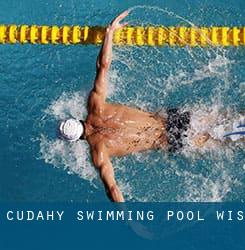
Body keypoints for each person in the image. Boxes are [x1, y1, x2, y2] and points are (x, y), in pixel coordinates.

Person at [58, 11, 210, 202]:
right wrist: (109, 33)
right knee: (226, 118)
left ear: (76, 140)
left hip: (171, 140)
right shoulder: (95, 105)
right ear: (76, 119)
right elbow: (103, 66)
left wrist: (130, 221)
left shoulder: (99, 152)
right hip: (172, 118)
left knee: (228, 141)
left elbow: (112, 189)